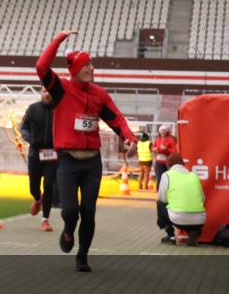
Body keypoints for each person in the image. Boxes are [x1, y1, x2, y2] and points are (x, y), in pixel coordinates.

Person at [36, 30, 137, 272]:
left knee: (89, 211)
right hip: (68, 162)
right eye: (87, 65)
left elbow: (116, 118)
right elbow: (41, 66)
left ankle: (82, 256)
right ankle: (69, 229)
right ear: (75, 69)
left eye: (92, 64)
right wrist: (59, 39)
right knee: (70, 211)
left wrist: (129, 137)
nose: (92, 68)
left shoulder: (99, 94)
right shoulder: (60, 88)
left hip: (92, 163)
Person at [19, 89, 59, 231]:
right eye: (44, 91)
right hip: (35, 154)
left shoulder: (59, 109)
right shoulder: (33, 108)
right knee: (33, 186)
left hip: (52, 155)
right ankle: (37, 199)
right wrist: (31, 140)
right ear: (41, 93)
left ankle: (45, 220)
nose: (47, 93)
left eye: (50, 91)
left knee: (48, 185)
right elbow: (22, 128)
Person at [157, 153, 205, 246]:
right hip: (199, 220)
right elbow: (202, 198)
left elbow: (162, 198)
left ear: (168, 165)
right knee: (194, 209)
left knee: (160, 203)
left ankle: (170, 236)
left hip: (178, 218)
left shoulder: (167, 175)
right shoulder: (194, 175)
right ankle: (193, 232)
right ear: (183, 164)